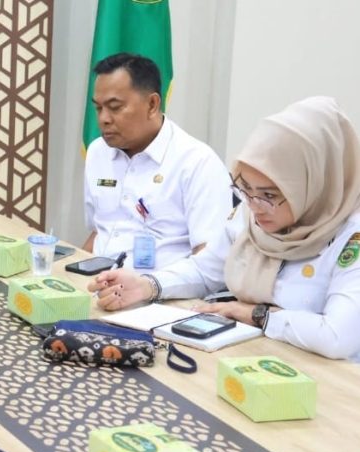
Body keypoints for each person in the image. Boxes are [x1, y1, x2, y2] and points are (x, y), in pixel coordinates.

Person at [89, 96, 360, 361]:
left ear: (315, 184)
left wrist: (257, 314)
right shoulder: (250, 215)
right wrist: (148, 285)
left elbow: (337, 337)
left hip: (332, 378)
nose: (255, 206)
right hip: (256, 357)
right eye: (246, 189)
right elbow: (206, 269)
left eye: (269, 195)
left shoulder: (351, 235)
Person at [83, 53, 232, 271]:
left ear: (152, 104)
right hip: (98, 282)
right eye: (98, 108)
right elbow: (99, 231)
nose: (103, 119)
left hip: (159, 288)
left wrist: (151, 286)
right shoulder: (98, 152)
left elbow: (211, 262)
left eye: (114, 107)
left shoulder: (197, 163)